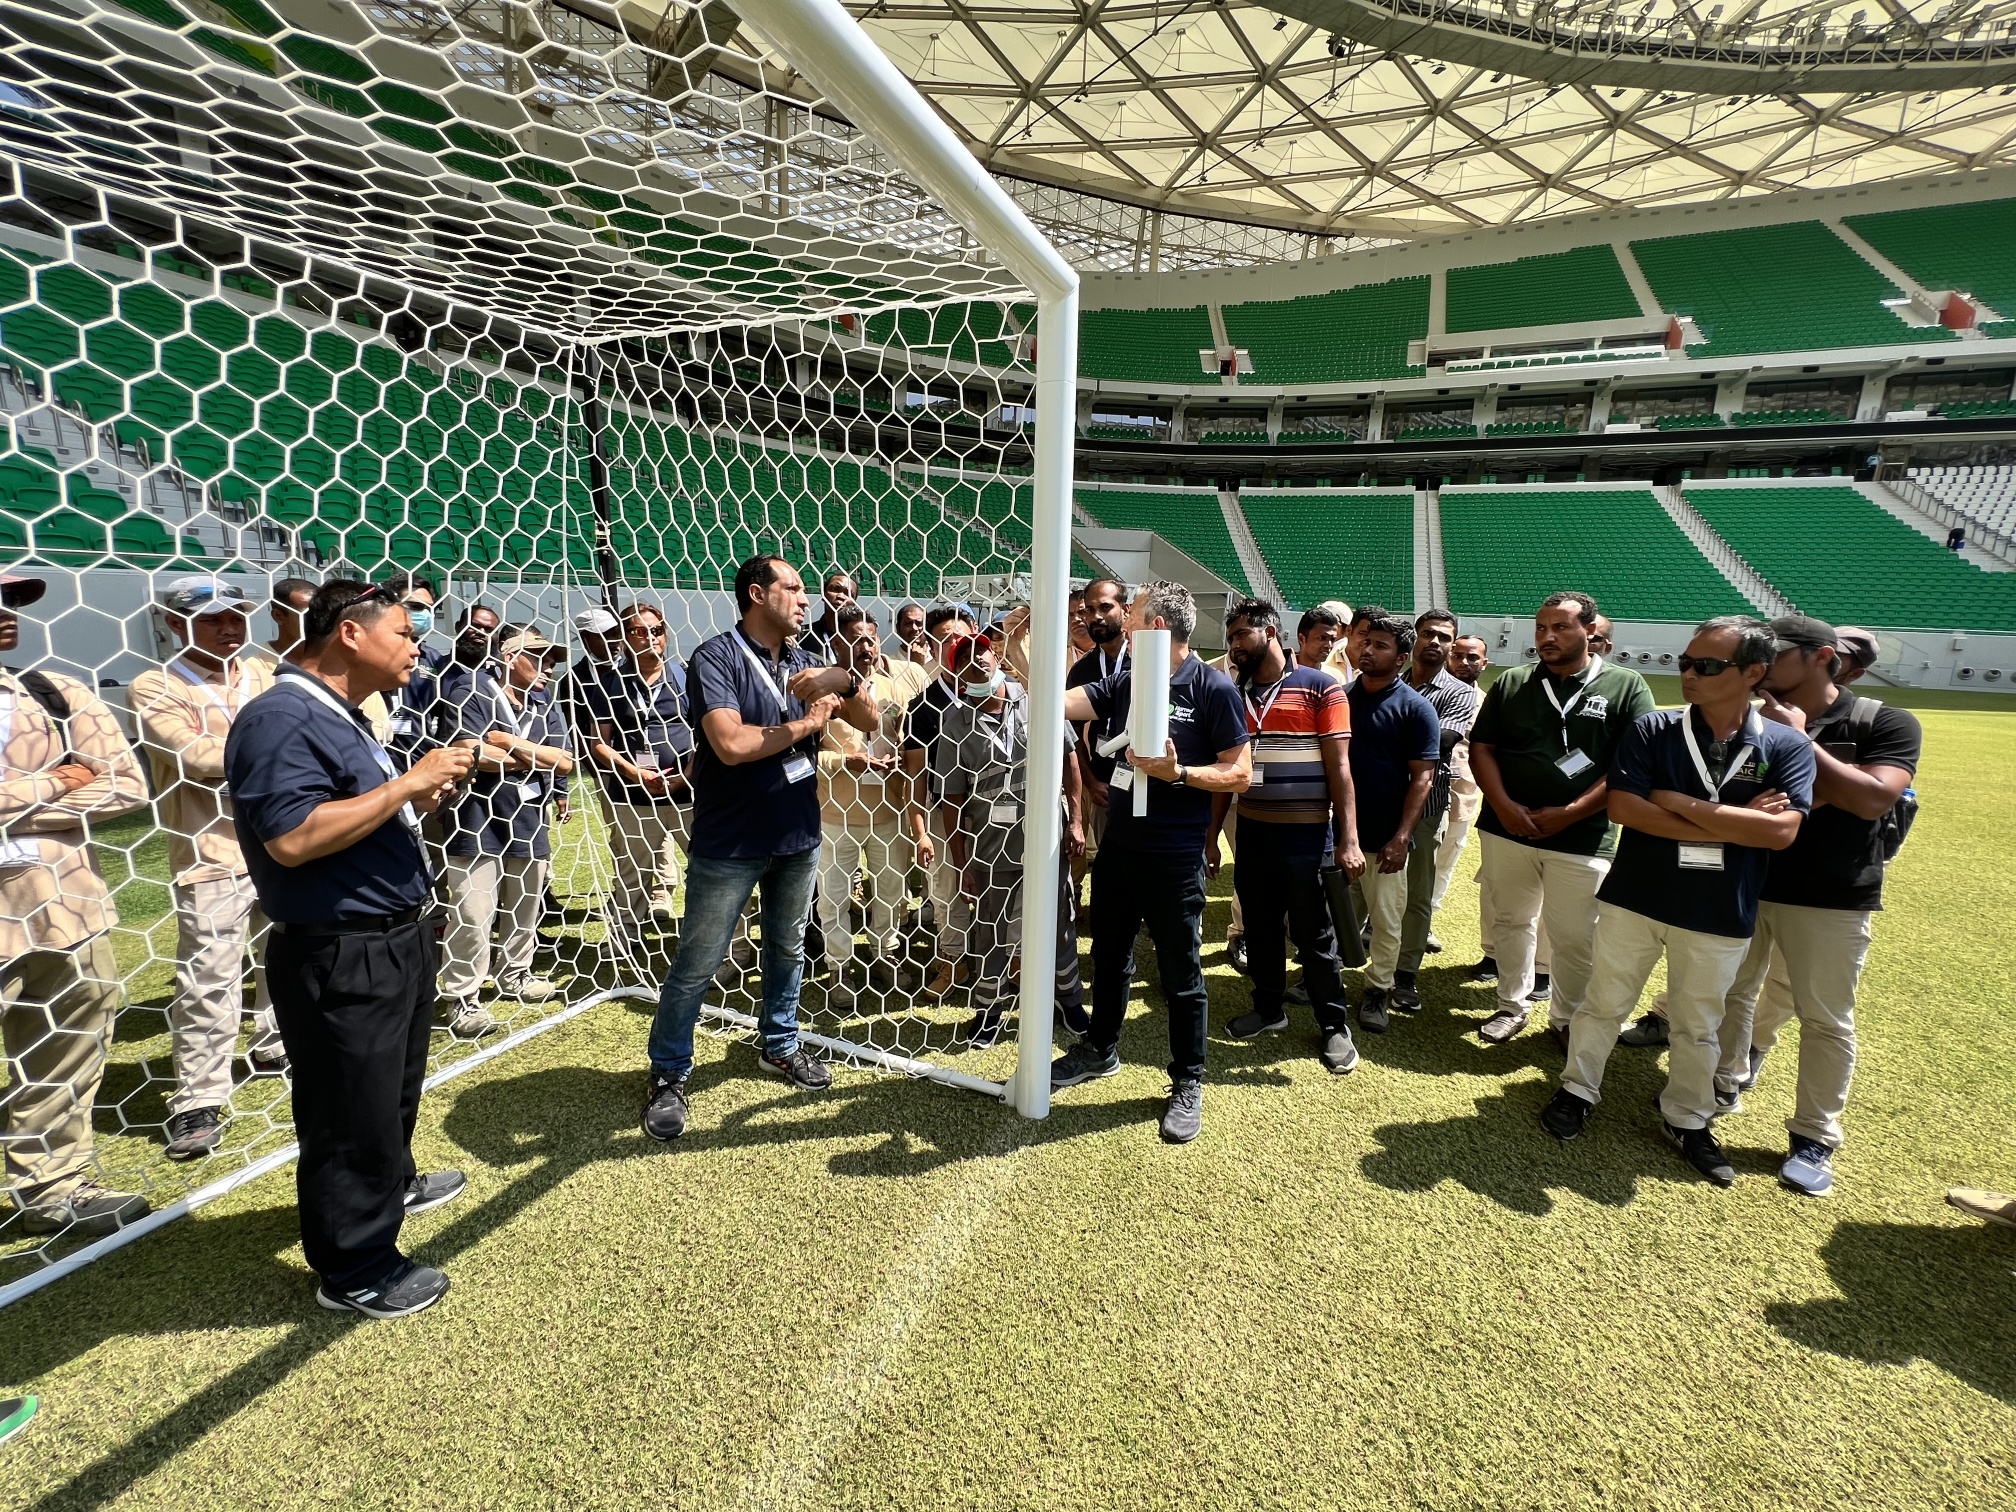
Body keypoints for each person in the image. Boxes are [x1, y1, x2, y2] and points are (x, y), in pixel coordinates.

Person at [225, 579, 477, 1316]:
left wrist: (411, 798)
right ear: (350, 634)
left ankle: (392, 1183)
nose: (417, 644)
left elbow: (348, 813)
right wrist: (406, 788)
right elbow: (295, 838)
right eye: (405, 631)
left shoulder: (343, 713)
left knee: (388, 1092)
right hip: (340, 948)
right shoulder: (278, 717)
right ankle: (355, 1267)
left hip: (394, 937)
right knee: (345, 1111)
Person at [1541, 616, 1815, 1189]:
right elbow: (1624, 809)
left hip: (1719, 909)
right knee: (1603, 1004)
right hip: (1636, 896)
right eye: (1685, 662)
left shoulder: (1787, 744)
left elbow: (1783, 833)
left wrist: (1676, 803)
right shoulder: (1654, 728)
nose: (1688, 673)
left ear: (1754, 674)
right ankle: (1577, 1089)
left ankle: (1687, 1118)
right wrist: (1736, 823)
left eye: (1706, 666)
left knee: (1698, 1023)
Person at [641, 557, 877, 1142]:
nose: (805, 599)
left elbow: (870, 718)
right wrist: (809, 722)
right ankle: (669, 1072)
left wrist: (842, 681)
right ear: (756, 594)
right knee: (698, 961)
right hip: (731, 841)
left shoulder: (805, 661)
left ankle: (780, 1044)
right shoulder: (715, 656)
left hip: (797, 836)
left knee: (788, 949)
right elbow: (729, 744)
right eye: (793, 588)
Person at [1708, 615, 1921, 1196]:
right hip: (1750, 878)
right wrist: (1819, 786)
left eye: (1774, 653)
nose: (1760, 663)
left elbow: (1873, 798)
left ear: (1822, 656)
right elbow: (1734, 793)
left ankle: (1814, 1135)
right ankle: (1722, 1085)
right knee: (1731, 992)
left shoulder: (1884, 720)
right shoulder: (1746, 714)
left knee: (1825, 1018)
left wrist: (1800, 745)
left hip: (1833, 893)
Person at [1050, 581, 1251, 1144]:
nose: (1118, 626)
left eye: (1131, 617)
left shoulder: (1211, 688)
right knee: (1109, 958)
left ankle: (1188, 1080)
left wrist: (1178, 774)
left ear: (1157, 628)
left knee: (1181, 974)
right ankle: (1099, 1049)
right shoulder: (1126, 680)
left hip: (1173, 856)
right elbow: (1066, 703)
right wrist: (1018, 670)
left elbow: (1240, 772)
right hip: (1120, 852)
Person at [0, 573, 150, 1236]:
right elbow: (86, 782)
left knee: (65, 1048)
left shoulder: (55, 692)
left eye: (10, 599)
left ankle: (52, 1184)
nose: (5, 614)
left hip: (62, 906)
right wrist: (54, 781)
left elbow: (125, 787)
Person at [130, 575, 285, 1164]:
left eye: (236, 616)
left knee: (288, 959)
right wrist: (284, 749)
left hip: (283, 842)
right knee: (209, 981)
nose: (230, 627)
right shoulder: (155, 684)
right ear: (174, 623)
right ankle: (197, 1100)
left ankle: (274, 1046)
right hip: (210, 851)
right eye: (214, 618)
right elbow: (194, 757)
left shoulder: (264, 673)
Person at [1467, 593, 1654, 1047]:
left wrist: (1572, 812)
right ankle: (1511, 1005)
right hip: (1508, 827)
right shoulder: (1513, 682)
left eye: (1561, 628)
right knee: (1511, 921)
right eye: (1541, 628)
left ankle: (1569, 1018)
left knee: (1574, 936)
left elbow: (1633, 766)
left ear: (1590, 632)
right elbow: (1482, 748)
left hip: (1584, 835)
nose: (1547, 637)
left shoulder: (1627, 686)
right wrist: (1505, 805)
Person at [1208, 598, 1361, 1072]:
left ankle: (1334, 1024)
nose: (1233, 646)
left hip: (1309, 835)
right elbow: (1228, 769)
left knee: (1315, 936)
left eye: (1239, 635)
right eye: (1230, 638)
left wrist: (1348, 838)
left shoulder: (1320, 687)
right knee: (1261, 926)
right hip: (1252, 832)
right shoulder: (1234, 694)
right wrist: (1212, 835)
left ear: (1269, 631)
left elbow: (1340, 767)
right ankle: (1268, 1008)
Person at [933, 632, 1085, 1045]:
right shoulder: (954, 724)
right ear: (955, 671)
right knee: (990, 932)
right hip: (990, 847)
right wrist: (962, 861)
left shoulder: (1039, 701)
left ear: (995, 654)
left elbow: (1070, 757)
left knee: (1059, 924)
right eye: (964, 656)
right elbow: (951, 799)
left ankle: (1069, 1000)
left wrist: (1075, 821)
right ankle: (989, 1010)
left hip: (1045, 841)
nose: (976, 659)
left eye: (981, 651)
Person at [436, 626, 575, 1036]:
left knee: (526, 903)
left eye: (553, 661)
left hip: (529, 814)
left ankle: (515, 974)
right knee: (473, 911)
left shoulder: (544, 702)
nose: (549, 668)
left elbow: (563, 761)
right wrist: (531, 755)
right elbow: (468, 751)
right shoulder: (471, 690)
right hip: (476, 815)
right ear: (510, 656)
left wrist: (504, 739)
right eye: (540, 658)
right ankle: (462, 996)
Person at [816, 603, 931, 1006]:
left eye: (871, 638)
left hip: (891, 808)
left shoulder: (902, 679)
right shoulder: (821, 687)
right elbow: (804, 752)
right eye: (855, 639)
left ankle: (885, 956)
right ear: (837, 643)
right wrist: (847, 760)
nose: (865, 647)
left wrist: (905, 756)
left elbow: (923, 734)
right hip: (835, 814)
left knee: (890, 892)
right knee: (834, 896)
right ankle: (839, 969)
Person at [1343, 613, 1439, 1034]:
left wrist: (1402, 838)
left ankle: (1377, 991)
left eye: (1380, 646)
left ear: (1401, 657)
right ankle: (1321, 979)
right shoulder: (1342, 698)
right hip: (1340, 834)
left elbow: (1424, 776)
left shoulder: (1415, 708)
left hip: (1384, 839)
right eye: (1366, 642)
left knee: (1385, 921)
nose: (1368, 650)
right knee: (1337, 915)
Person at [587, 604, 693, 968]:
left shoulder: (686, 677)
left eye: (658, 629)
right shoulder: (609, 681)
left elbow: (707, 734)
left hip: (686, 792)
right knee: (631, 869)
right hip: (631, 794)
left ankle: (701, 935)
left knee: (706, 865)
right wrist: (632, 772)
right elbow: (597, 742)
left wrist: (687, 775)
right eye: (640, 630)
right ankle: (625, 936)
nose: (651, 637)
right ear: (625, 637)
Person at [1392, 611, 1481, 1009]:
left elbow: (1441, 742)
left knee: (1417, 892)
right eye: (1427, 633)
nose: (1435, 642)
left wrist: (1383, 737)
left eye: (1444, 637)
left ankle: (1406, 973)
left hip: (1426, 804)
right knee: (1354, 884)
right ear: (1414, 638)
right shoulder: (1385, 680)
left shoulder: (1458, 691)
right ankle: (1336, 962)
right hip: (1376, 800)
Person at [907, 603, 980, 994]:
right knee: (944, 890)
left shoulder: (998, 694)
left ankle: (999, 960)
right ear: (934, 648)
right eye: (946, 639)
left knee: (995, 885)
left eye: (962, 636)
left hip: (993, 810)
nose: (956, 645)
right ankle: (952, 961)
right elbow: (916, 773)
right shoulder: (922, 706)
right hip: (941, 810)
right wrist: (920, 827)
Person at [1065, 576, 1131, 921]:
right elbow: (1069, 734)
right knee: (1112, 859)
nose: (1095, 616)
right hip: (1106, 783)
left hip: (1156, 777)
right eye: (1088, 610)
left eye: (1105, 607)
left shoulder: (1149, 660)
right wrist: (1090, 781)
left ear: (1126, 609)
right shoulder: (1083, 669)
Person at [1430, 633, 1490, 920]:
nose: (1463, 662)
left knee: (1445, 861)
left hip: (1461, 796)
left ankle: (1426, 918)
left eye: (1472, 657)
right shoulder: (1429, 692)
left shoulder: (1487, 704)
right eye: (1457, 655)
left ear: (1484, 663)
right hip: (1422, 791)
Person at [807, 570, 858, 660]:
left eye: (848, 594)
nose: (841, 596)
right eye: (835, 589)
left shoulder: (858, 639)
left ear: (853, 603)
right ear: (823, 595)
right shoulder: (803, 635)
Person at [1295, 604, 1345, 671]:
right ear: (1302, 639)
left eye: (1332, 640)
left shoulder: (1335, 677)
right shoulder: (1281, 674)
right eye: (1322, 638)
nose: (1328, 645)